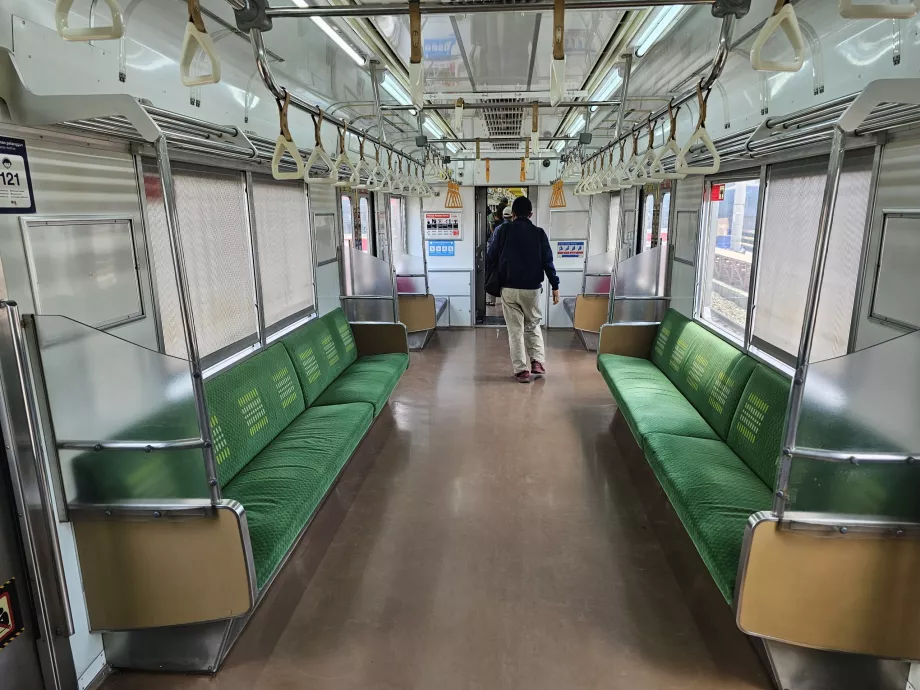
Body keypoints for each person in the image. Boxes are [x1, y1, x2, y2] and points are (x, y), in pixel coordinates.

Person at [486, 196, 559, 383]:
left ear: (514, 214)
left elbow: (491, 255)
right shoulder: (539, 233)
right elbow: (547, 262)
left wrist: (500, 270)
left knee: (515, 330)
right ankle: (537, 362)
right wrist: (555, 286)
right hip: (532, 289)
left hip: (509, 288)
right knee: (533, 325)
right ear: (531, 214)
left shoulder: (503, 231)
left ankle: (521, 371)